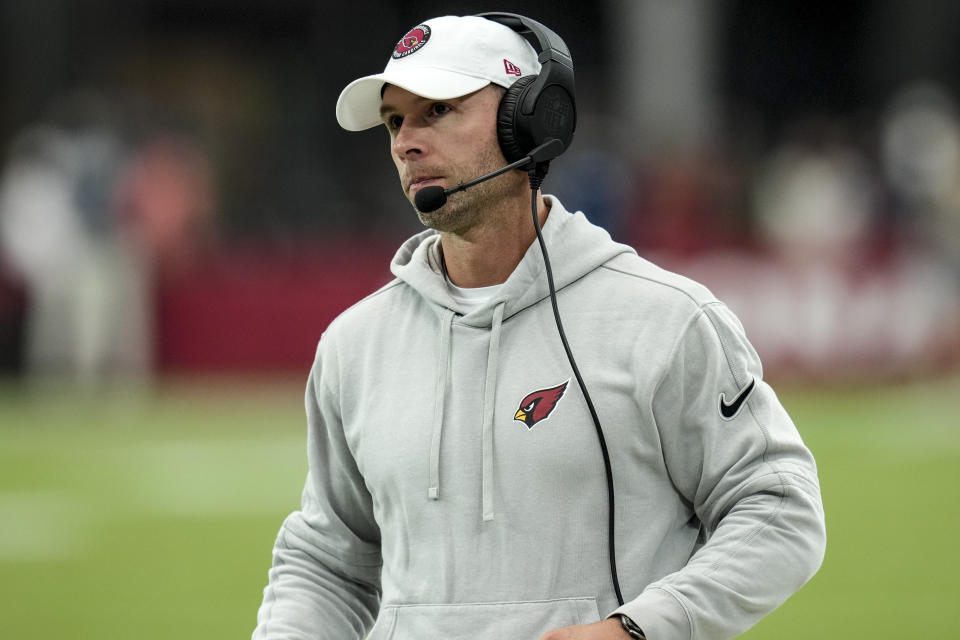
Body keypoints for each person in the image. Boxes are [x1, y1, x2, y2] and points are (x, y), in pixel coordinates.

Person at [252, 14, 825, 640]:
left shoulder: (666, 320)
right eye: (395, 121)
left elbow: (778, 510)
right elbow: (329, 562)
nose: (406, 142)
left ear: (530, 120)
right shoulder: (353, 345)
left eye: (438, 110)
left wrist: (638, 630)